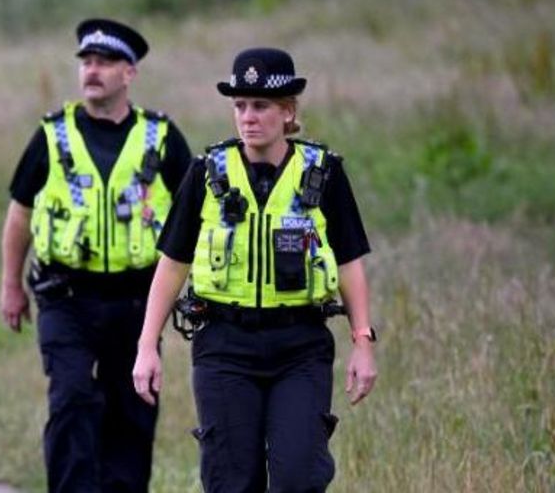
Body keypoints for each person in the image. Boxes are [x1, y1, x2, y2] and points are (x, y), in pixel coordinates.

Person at [132, 47, 377, 492]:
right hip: (224, 344)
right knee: (231, 481)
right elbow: (172, 265)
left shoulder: (323, 173)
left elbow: (349, 261)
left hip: (300, 346)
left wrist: (363, 342)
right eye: (240, 105)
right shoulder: (207, 173)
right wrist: (147, 345)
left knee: (299, 476)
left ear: (287, 112)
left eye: (260, 105)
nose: (248, 116)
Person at [0, 18, 193, 492]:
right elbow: (20, 214)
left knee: (131, 410)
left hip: (136, 302)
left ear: (129, 74)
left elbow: (194, 220)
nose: (92, 70)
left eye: (105, 62)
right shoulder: (53, 135)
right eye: (86, 61)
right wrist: (10, 286)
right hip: (66, 297)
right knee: (71, 400)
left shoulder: (161, 138)